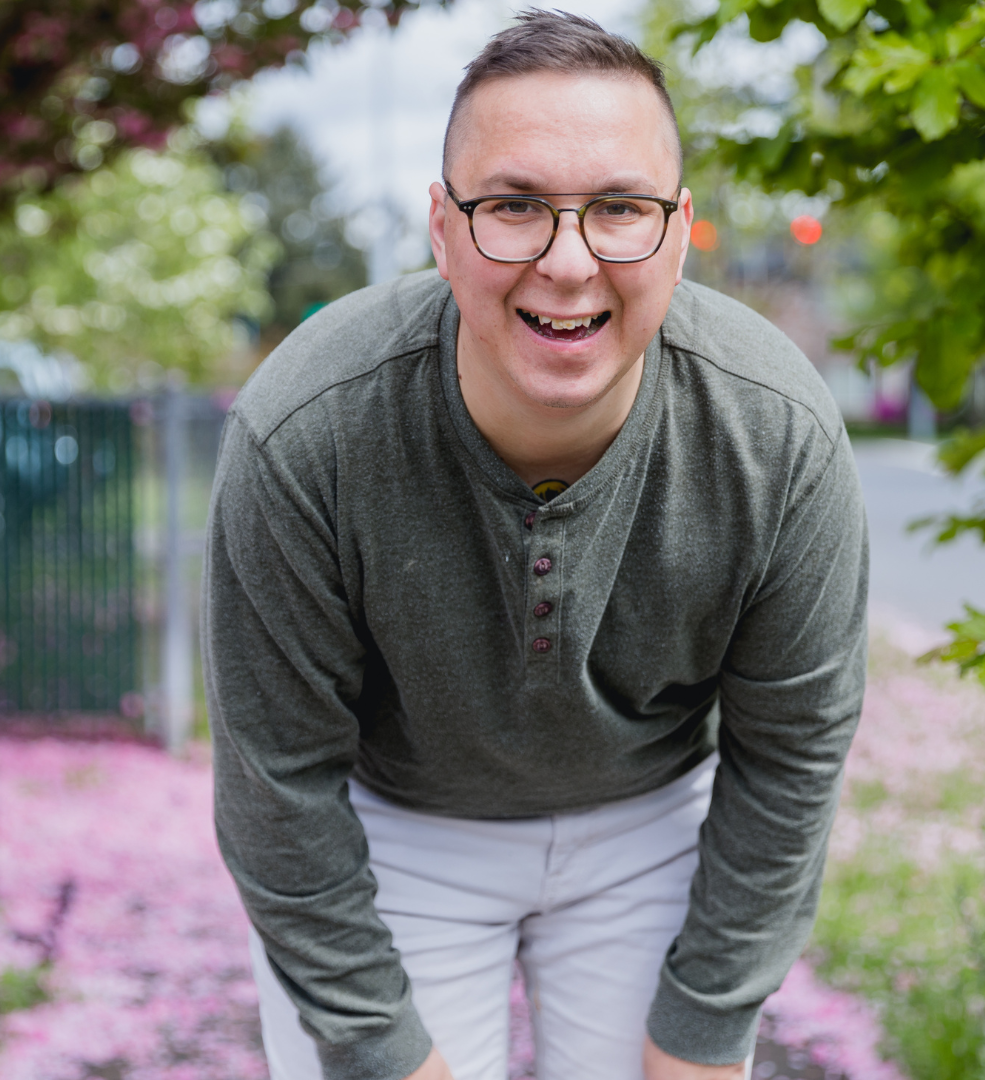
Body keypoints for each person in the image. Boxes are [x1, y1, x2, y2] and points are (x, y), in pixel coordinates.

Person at [202, 11, 868, 1080]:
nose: (568, 263)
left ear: (680, 224)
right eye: (512, 206)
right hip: (397, 826)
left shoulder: (775, 432)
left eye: (619, 208)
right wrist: (379, 1048)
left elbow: (791, 749)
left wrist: (704, 1023)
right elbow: (275, 778)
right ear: (441, 226)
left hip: (649, 819)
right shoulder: (307, 430)